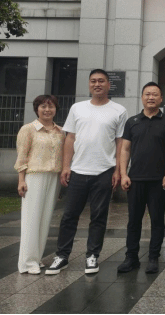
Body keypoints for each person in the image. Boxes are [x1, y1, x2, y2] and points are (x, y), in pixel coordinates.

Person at [46, 69, 128, 276]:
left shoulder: (119, 110)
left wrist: (118, 170)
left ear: (109, 84)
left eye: (101, 81)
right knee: (69, 216)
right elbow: (70, 138)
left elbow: (120, 142)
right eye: (93, 81)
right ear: (89, 84)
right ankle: (62, 256)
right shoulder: (77, 108)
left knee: (99, 216)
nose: (97, 84)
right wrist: (66, 166)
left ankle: (92, 255)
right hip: (78, 170)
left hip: (104, 171)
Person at [117, 82, 165, 274]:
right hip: (135, 179)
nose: (151, 97)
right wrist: (123, 174)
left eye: (155, 94)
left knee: (157, 221)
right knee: (134, 221)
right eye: (147, 94)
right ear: (142, 97)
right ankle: (131, 257)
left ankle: (153, 257)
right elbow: (125, 149)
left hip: (159, 181)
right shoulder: (132, 121)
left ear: (161, 98)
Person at [15, 95, 65, 275]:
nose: (47, 110)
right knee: (32, 219)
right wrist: (21, 180)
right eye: (43, 106)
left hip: (53, 177)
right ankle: (27, 263)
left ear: (56, 109)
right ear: (37, 109)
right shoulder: (28, 129)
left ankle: (36, 259)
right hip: (34, 176)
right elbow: (22, 155)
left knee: (45, 220)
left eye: (51, 107)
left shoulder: (60, 131)